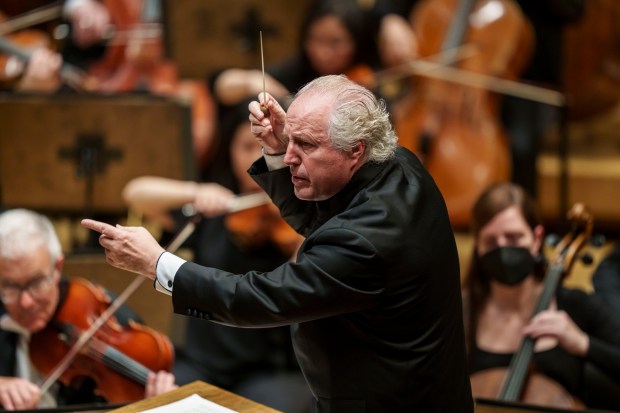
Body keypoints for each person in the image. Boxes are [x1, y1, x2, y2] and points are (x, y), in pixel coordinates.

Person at [83, 74, 473, 411]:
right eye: (290, 140)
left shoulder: (365, 240)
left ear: (355, 149)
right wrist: (275, 147)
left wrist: (158, 264)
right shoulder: (399, 164)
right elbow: (324, 220)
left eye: (305, 144)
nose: (289, 157)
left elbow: (261, 298)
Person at [122, 98, 311, 413]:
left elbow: (302, 291)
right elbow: (135, 193)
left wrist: (300, 238)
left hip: (270, 370)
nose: (256, 159)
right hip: (202, 364)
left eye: (265, 149)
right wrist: (195, 193)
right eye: (245, 147)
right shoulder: (214, 211)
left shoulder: (302, 219)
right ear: (229, 151)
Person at [0, 208, 176, 411]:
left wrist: (152, 406)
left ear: (57, 268)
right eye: (11, 286)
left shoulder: (112, 317)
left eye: (36, 282)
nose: (26, 302)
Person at [464, 182, 620, 410]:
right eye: (491, 241)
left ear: (537, 238)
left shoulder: (575, 305)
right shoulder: (460, 312)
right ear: (477, 245)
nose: (503, 248)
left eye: (513, 237)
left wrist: (583, 343)